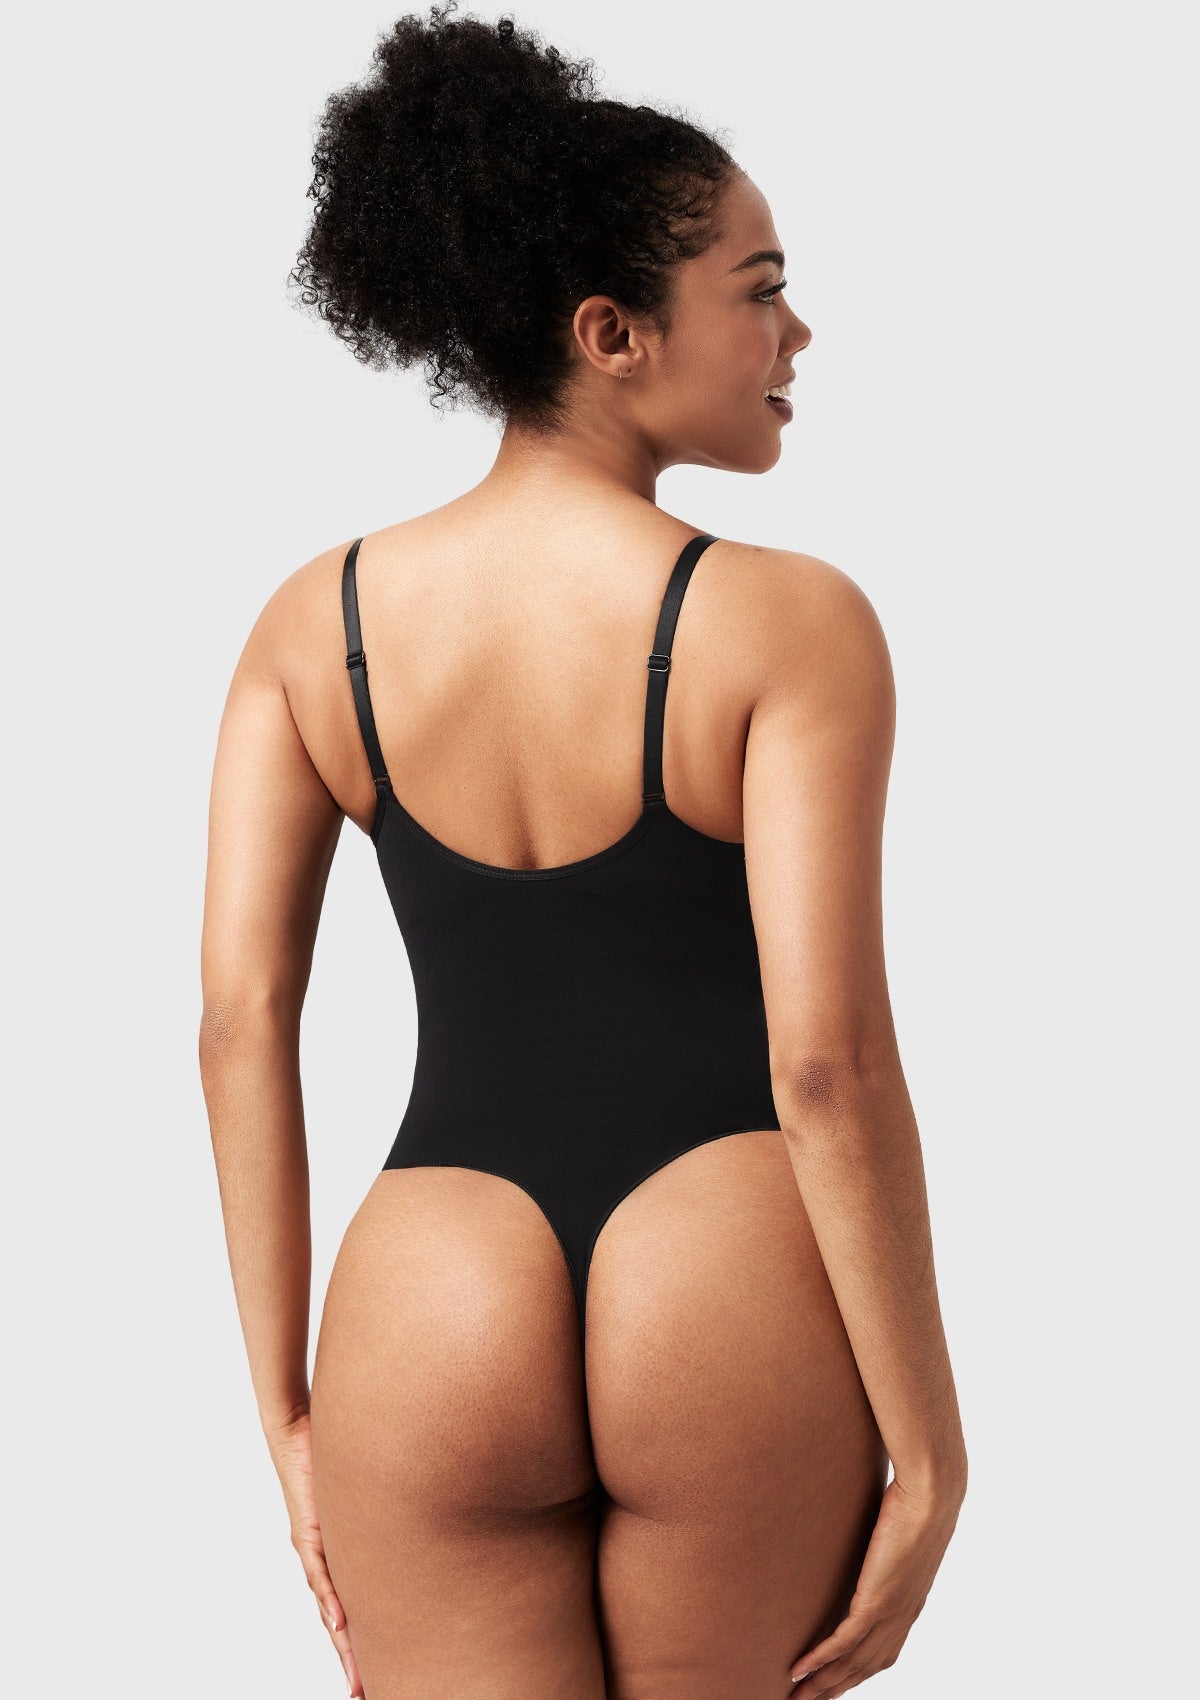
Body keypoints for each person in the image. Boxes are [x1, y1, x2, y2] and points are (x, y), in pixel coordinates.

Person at [198, 6, 968, 1697]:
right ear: (612, 333)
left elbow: (241, 1022)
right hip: (726, 1270)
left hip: (431, 1291)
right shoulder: (791, 623)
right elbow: (826, 1068)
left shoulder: (311, 625)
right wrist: (932, 1453)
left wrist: (289, 1418)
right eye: (760, 289)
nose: (797, 331)